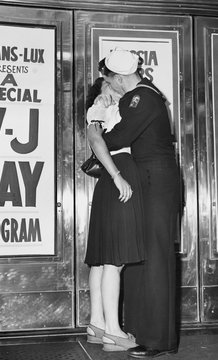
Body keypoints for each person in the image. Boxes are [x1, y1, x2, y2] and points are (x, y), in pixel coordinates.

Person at [89, 47, 181, 358]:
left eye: (108, 80)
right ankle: (141, 332)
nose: (108, 85)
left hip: (155, 185)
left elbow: (116, 138)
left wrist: (95, 121)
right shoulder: (139, 97)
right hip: (146, 183)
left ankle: (158, 340)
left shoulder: (142, 97)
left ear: (118, 77)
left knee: (154, 259)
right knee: (139, 258)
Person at [84, 76, 145, 352]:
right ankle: (113, 332)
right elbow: (96, 141)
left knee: (102, 259)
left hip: (108, 181)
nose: (115, 87)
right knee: (115, 260)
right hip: (116, 173)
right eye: (108, 84)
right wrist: (118, 175)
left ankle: (97, 324)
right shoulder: (102, 107)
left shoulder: (107, 108)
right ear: (101, 90)